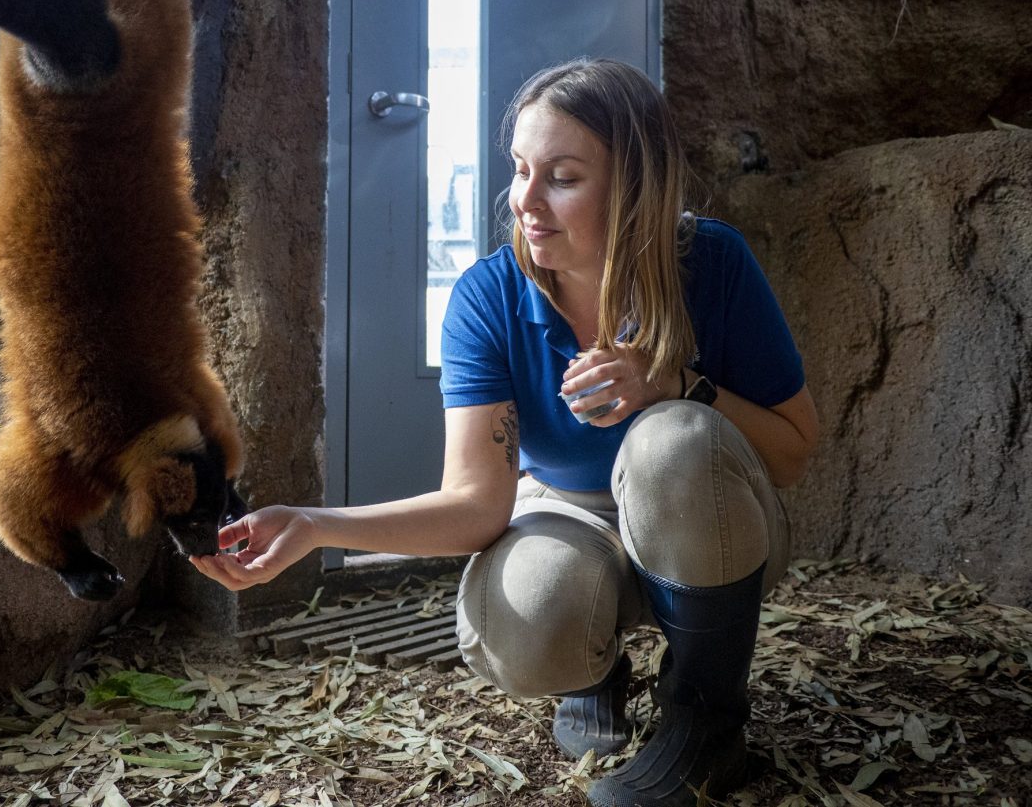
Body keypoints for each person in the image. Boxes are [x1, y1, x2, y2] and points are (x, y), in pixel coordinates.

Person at [191, 57, 819, 807]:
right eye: (520, 168)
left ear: (635, 186)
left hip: (716, 520)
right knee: (519, 620)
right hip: (567, 507)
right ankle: (593, 672)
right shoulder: (488, 298)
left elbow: (790, 451)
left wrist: (672, 385)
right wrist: (315, 525)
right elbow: (476, 505)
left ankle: (707, 721)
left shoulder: (712, 263)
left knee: (672, 439)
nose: (524, 198)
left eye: (562, 175)